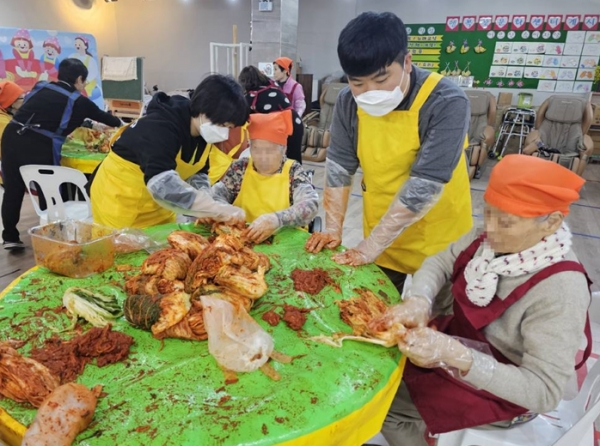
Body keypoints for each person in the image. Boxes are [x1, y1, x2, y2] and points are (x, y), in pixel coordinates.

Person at [369, 155, 591, 446]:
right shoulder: (489, 240)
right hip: (460, 345)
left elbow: (544, 393)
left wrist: (459, 356)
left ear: (551, 222)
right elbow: (440, 262)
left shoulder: (560, 291)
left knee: (382, 404)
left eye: (507, 223)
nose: (491, 229)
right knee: (378, 365)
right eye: (487, 214)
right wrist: (419, 299)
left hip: (505, 392)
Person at [305, 12, 472, 293]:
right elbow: (338, 169)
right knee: (372, 310)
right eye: (357, 83)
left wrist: (370, 246)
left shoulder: (446, 101)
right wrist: (333, 229)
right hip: (383, 234)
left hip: (438, 239)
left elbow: (425, 184)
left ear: (406, 62)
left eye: (381, 79)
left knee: (435, 320)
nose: (370, 92)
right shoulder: (348, 102)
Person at [90, 74, 249, 230]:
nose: (224, 134)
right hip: (120, 202)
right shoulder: (160, 127)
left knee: (164, 251)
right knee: (123, 252)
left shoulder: (201, 132)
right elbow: (163, 185)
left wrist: (205, 203)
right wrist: (216, 209)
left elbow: (197, 171)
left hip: (158, 205)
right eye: (222, 125)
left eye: (228, 128)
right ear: (203, 110)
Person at [1, 58, 121, 250]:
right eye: (83, 82)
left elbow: (46, 113)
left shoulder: (41, 87)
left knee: (13, 188)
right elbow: (111, 121)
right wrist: (118, 122)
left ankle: (10, 237)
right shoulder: (80, 101)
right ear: (80, 79)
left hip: (12, 136)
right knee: (50, 188)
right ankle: (58, 235)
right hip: (39, 144)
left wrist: (90, 123)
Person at [205, 110, 318, 243]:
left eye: (269, 150)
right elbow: (215, 196)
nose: (263, 157)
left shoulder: (294, 172)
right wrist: (225, 210)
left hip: (285, 243)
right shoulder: (239, 168)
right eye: (257, 149)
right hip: (241, 239)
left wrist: (277, 220)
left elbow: (310, 205)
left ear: (283, 149)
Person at [238, 65, 303, 163]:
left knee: (277, 163)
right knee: (293, 160)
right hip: (295, 123)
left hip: (284, 127)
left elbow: (240, 119)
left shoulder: (251, 96)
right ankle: (298, 177)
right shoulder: (273, 86)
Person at [0, 81, 24, 155]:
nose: (25, 101)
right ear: (12, 101)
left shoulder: (6, 116)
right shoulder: (3, 121)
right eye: (22, 98)